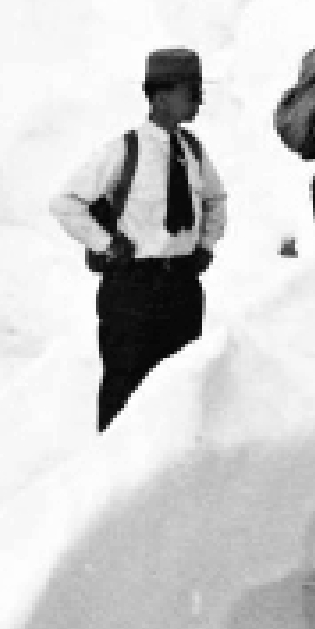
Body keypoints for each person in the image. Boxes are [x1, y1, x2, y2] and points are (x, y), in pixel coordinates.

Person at [53, 46, 228, 428]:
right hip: (132, 289)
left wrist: (204, 245)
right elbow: (66, 202)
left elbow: (216, 200)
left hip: (181, 287)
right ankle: (114, 480)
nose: (198, 100)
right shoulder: (125, 150)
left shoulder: (193, 150)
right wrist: (106, 244)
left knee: (179, 389)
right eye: (191, 91)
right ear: (161, 97)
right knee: (125, 388)